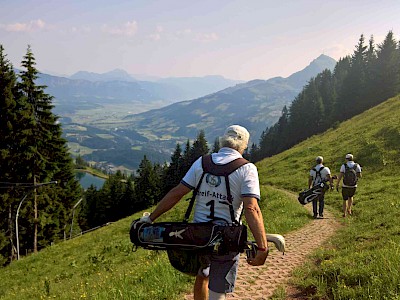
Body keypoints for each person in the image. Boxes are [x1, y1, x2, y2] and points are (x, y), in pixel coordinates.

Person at [140, 125, 268, 300]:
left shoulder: (202, 162)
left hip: (198, 237)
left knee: (202, 275)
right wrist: (262, 246)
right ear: (243, 146)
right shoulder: (247, 168)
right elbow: (251, 208)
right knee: (218, 290)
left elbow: (177, 193)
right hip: (226, 239)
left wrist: (150, 218)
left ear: (223, 141)